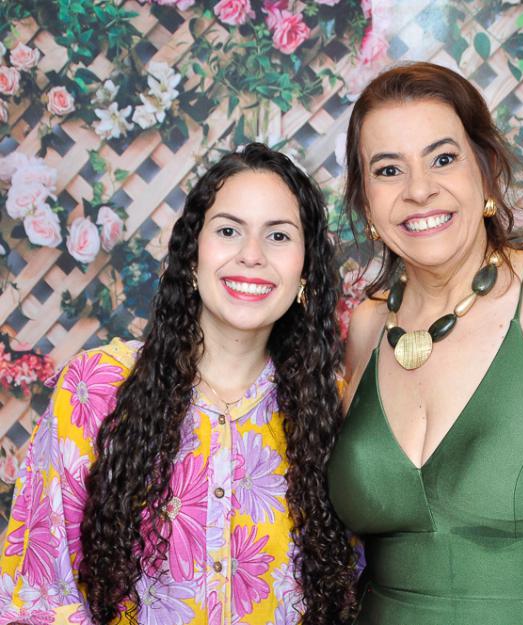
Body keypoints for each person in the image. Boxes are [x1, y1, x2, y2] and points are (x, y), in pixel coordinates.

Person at [0, 143, 356, 625]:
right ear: (192, 257)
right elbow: (38, 595)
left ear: (305, 272)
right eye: (228, 231)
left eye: (278, 236)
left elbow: (350, 588)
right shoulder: (95, 388)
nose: (251, 255)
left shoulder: (329, 411)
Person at [327, 62, 523, 625]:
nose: (419, 190)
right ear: (365, 201)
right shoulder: (367, 328)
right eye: (388, 170)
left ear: (485, 171)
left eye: (443, 159)